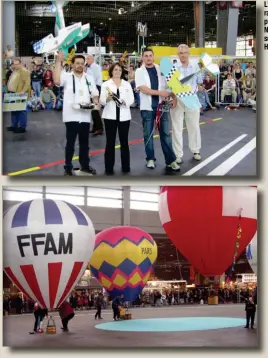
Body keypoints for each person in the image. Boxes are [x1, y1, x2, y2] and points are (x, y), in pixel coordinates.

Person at [54, 51, 100, 176]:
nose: (80, 65)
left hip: (85, 115)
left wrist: (96, 102)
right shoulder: (67, 76)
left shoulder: (89, 78)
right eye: (77, 63)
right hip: (71, 115)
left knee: (85, 143)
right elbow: (57, 81)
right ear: (72, 65)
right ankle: (68, 166)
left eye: (82, 63)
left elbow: (94, 93)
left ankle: (85, 165)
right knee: (70, 143)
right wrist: (58, 62)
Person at [135, 48, 180, 172]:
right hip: (147, 107)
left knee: (166, 134)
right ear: (142, 58)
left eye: (150, 55)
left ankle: (170, 161)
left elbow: (170, 85)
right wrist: (161, 92)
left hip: (162, 105)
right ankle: (150, 158)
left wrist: (173, 97)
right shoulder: (139, 71)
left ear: (154, 57)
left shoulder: (161, 69)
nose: (148, 58)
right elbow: (143, 89)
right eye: (146, 56)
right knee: (148, 134)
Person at [170, 44, 203, 164]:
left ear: (189, 54)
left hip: (192, 99)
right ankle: (177, 154)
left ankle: (196, 150)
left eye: (185, 53)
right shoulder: (173, 67)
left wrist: (195, 91)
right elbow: (171, 85)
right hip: (177, 99)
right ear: (178, 55)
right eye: (181, 53)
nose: (183, 55)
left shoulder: (195, 67)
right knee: (176, 127)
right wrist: (173, 98)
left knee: (194, 126)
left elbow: (199, 82)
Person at [100, 62, 134, 175]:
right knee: (110, 142)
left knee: (124, 142)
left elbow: (131, 99)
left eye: (119, 70)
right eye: (115, 70)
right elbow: (101, 101)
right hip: (110, 117)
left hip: (124, 117)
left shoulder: (127, 84)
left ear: (122, 72)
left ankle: (126, 166)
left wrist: (125, 102)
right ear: (111, 71)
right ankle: (108, 168)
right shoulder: (106, 85)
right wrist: (108, 98)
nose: (117, 72)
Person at [6, 58, 31, 133]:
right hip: (13, 93)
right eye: (14, 64)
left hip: (20, 94)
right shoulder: (14, 71)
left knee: (21, 110)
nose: (15, 65)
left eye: (16, 64)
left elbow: (27, 83)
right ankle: (14, 125)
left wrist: (23, 91)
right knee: (14, 110)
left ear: (20, 64)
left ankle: (22, 127)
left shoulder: (24, 71)